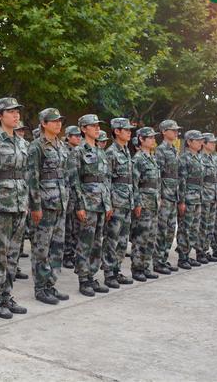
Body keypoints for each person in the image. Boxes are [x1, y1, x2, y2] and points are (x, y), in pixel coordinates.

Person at [0, 97, 29, 319]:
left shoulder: (22, 143)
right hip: (1, 206)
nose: (16, 115)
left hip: (20, 205)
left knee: (13, 254)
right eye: (10, 112)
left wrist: (27, 203)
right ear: (0, 116)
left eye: (17, 111)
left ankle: (7, 294)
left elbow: (26, 176)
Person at [28, 108, 70, 305]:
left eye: (59, 121)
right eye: (53, 121)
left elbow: (65, 175)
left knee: (57, 247)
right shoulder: (37, 147)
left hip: (60, 203)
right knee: (41, 248)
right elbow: (33, 179)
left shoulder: (61, 145)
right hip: (45, 205)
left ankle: (50, 283)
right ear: (44, 123)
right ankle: (40, 287)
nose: (58, 124)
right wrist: (35, 206)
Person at [69, 114, 112, 296]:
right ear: (84, 129)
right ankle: (83, 279)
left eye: (97, 125)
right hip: (87, 203)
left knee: (97, 243)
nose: (97, 128)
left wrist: (108, 203)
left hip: (101, 203)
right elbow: (74, 180)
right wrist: (79, 205)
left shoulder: (101, 151)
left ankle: (92, 275)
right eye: (92, 125)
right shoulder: (78, 152)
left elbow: (105, 180)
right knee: (85, 243)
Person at [102, 117, 136, 289]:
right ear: (116, 131)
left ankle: (116, 270)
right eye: (126, 129)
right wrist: (108, 204)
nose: (129, 132)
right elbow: (106, 181)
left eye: (130, 130)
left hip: (126, 202)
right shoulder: (111, 153)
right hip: (116, 203)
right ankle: (108, 274)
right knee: (112, 240)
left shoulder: (126, 151)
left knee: (123, 241)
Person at [130, 127, 161, 282]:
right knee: (140, 237)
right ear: (141, 139)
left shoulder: (152, 158)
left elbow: (157, 182)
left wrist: (159, 198)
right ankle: (137, 268)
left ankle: (146, 266)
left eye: (153, 137)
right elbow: (134, 183)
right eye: (149, 137)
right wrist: (137, 202)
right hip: (143, 202)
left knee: (151, 237)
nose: (153, 140)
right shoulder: (138, 159)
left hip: (153, 202)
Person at [153, 119, 182, 275]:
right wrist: (160, 196)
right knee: (162, 230)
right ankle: (157, 261)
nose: (176, 132)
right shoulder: (161, 150)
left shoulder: (174, 150)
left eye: (177, 130)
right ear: (164, 132)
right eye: (173, 130)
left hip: (173, 195)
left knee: (170, 230)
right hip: (165, 195)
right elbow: (158, 175)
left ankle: (163, 259)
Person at [175, 130, 206, 269]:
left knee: (194, 228)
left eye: (201, 140)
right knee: (185, 229)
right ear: (189, 142)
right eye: (197, 140)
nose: (200, 142)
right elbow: (182, 181)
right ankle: (182, 257)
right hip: (188, 198)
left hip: (198, 198)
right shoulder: (184, 159)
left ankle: (188, 255)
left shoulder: (199, 158)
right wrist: (181, 201)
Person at [62, 125, 82, 270]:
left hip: (77, 194)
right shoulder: (64, 151)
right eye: (75, 135)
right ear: (68, 136)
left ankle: (73, 253)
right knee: (67, 227)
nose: (78, 138)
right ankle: (67, 255)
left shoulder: (80, 152)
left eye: (79, 135)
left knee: (76, 227)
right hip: (67, 193)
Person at [199, 133, 217, 263]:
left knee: (209, 226)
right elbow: (199, 180)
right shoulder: (200, 158)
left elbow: (214, 180)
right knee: (202, 225)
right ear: (204, 143)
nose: (214, 145)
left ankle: (205, 250)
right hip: (204, 196)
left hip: (212, 196)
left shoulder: (212, 159)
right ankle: (200, 251)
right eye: (211, 142)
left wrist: (216, 195)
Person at [14, 121, 31, 280]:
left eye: (22, 129)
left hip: (20, 198)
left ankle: (14, 270)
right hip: (3, 202)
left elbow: (28, 173)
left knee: (15, 245)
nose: (21, 132)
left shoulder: (25, 145)